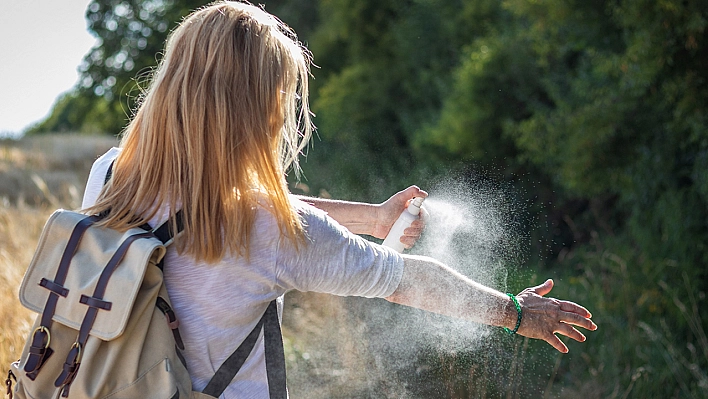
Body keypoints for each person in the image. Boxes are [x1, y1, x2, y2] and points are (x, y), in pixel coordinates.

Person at [82, 1, 596, 397]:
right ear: (259, 107)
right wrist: (514, 311)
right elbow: (408, 279)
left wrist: (373, 218)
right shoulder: (269, 229)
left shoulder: (111, 173)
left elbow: (237, 206)